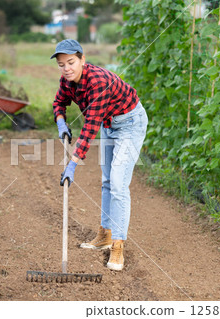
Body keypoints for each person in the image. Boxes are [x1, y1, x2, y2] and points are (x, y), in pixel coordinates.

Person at [51, 39, 148, 271]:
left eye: (71, 62)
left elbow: (90, 127)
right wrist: (61, 121)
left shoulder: (98, 82)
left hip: (130, 124)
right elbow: (59, 102)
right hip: (109, 124)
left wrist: (73, 164)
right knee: (106, 180)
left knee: (117, 183)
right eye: (62, 64)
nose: (67, 68)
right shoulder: (67, 80)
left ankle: (118, 245)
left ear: (83, 60)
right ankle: (105, 235)